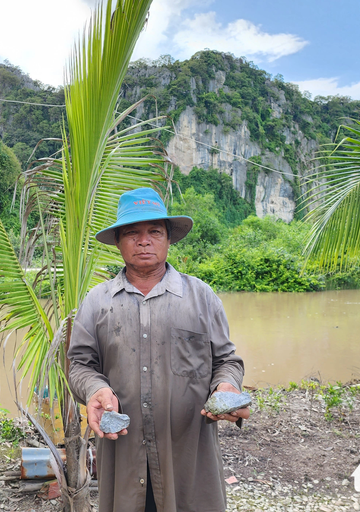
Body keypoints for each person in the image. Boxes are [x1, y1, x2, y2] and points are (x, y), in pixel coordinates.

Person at [68, 187, 248, 512]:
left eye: (154, 231)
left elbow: (226, 360)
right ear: (119, 242)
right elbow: (80, 364)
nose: (144, 240)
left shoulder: (201, 297)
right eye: (132, 233)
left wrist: (226, 386)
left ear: (168, 239)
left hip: (188, 454)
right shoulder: (97, 302)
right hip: (122, 455)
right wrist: (96, 389)